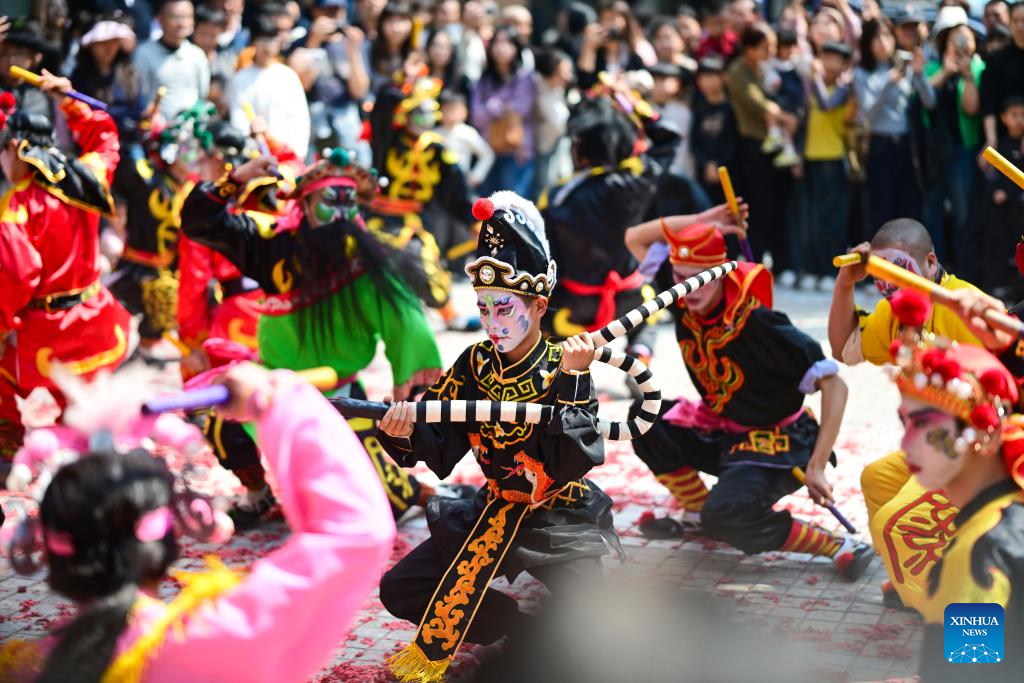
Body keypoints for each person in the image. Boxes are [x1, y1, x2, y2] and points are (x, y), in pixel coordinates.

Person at [0, 362, 396, 682]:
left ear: (49, 548)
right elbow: (357, 535)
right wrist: (275, 402)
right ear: (167, 534)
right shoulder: (210, 642)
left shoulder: (22, 669)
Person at [376, 191, 623, 682]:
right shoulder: (475, 362)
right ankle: (521, 629)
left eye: (504, 308)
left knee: (593, 624)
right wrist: (402, 431)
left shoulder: (565, 365)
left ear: (539, 304)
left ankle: (559, 635)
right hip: (493, 508)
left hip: (556, 514)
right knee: (400, 588)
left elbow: (572, 459)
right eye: (484, 307)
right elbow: (437, 432)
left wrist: (575, 378)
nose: (492, 323)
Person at [180, 148, 442, 527]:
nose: (341, 213)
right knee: (221, 417)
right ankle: (257, 492)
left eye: (349, 202)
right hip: (274, 387)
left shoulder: (364, 257)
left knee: (384, 501)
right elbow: (198, 220)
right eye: (330, 200)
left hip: (339, 391)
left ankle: (410, 491)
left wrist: (409, 379)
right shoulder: (271, 246)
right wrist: (239, 177)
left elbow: (404, 317)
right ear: (304, 204)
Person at [622, 217, 872, 579]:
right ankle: (699, 512)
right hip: (722, 429)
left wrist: (817, 465)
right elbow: (634, 237)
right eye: (679, 277)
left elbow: (836, 386)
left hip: (776, 444)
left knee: (727, 515)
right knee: (643, 418)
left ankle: (836, 545)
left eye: (699, 278)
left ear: (721, 273)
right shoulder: (684, 295)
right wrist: (713, 219)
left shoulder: (759, 323)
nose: (688, 288)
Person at [828, 219, 985, 611]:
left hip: (983, 455)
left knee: (894, 523)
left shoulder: (965, 305)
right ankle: (918, 583)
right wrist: (845, 284)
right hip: (941, 449)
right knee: (877, 480)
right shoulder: (897, 311)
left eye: (898, 271)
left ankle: (960, 620)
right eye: (880, 277)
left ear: (930, 262)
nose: (889, 287)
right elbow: (845, 346)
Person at [885, 298, 1024, 683]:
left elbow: (968, 671)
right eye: (904, 423)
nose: (905, 444)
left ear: (985, 432)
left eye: (923, 424)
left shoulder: (980, 549)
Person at [0, 75, 130, 460]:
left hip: (46, 332)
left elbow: (16, 275)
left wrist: (3, 325)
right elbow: (106, 139)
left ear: (13, 148)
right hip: (93, 317)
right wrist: (69, 102)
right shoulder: (85, 176)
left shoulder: (18, 205)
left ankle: (7, 446)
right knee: (81, 406)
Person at [539, 95, 660, 365]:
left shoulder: (558, 197)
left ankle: (558, 373)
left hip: (575, 308)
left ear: (579, 150)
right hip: (629, 299)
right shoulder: (637, 184)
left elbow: (547, 260)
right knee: (650, 307)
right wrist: (633, 106)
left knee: (541, 318)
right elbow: (667, 141)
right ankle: (641, 357)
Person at [367, 70, 475, 327]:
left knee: (424, 261)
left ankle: (448, 314)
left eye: (428, 114)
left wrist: (475, 221)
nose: (423, 120)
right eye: (418, 113)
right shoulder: (387, 141)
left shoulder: (438, 150)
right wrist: (400, 83)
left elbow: (457, 193)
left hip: (413, 220)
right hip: (376, 216)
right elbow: (382, 109)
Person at [107, 103, 206, 363]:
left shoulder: (192, 189)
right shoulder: (149, 180)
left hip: (172, 271)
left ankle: (148, 351)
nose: (196, 156)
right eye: (189, 148)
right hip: (137, 269)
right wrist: (140, 130)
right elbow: (126, 160)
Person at [729, 23, 798, 277]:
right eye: (765, 46)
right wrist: (785, 117)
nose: (770, 51)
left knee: (778, 204)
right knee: (759, 206)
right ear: (749, 48)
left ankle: (781, 262)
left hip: (774, 144)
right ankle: (755, 261)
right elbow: (756, 101)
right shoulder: (738, 71)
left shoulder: (764, 68)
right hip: (752, 147)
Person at [853, 18, 934, 230]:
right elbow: (868, 115)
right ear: (867, 42)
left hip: (907, 145)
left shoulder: (904, 66)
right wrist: (890, 82)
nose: (882, 42)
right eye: (876, 37)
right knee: (882, 210)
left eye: (887, 36)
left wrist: (918, 73)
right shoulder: (862, 73)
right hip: (880, 145)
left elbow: (930, 101)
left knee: (909, 208)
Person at [921, 6, 985, 271]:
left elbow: (972, 109)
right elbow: (920, 97)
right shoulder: (932, 68)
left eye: (964, 38)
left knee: (963, 213)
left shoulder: (978, 68)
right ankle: (933, 271)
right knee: (932, 213)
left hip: (963, 151)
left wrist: (967, 74)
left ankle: (964, 270)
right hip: (934, 152)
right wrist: (946, 72)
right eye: (952, 38)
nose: (959, 45)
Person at [800, 41, 854, 285]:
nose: (830, 63)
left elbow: (826, 104)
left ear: (844, 64)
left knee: (833, 218)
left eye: (836, 59)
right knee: (813, 218)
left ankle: (830, 271)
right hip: (811, 157)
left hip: (833, 158)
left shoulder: (844, 88)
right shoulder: (814, 86)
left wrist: (814, 78)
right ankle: (813, 269)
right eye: (826, 57)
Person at [287, 0, 370, 155]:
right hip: (313, 119)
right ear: (315, 11)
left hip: (347, 118)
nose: (334, 15)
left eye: (338, 9)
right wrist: (313, 43)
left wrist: (353, 52)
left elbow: (359, 91)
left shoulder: (355, 40)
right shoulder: (301, 42)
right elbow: (302, 86)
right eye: (328, 10)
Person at [226, 15, 310, 160]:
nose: (268, 46)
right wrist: (253, 132)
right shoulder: (240, 79)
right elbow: (238, 119)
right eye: (263, 40)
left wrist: (297, 152)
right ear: (253, 42)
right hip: (253, 157)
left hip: (286, 154)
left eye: (273, 40)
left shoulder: (288, 76)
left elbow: (300, 119)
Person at [471, 26, 536, 199]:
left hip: (517, 152)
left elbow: (522, 108)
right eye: (497, 43)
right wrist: (502, 105)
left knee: (514, 206)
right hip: (487, 152)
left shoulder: (525, 77)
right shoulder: (483, 80)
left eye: (508, 43)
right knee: (486, 206)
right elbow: (476, 117)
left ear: (517, 48)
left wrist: (491, 105)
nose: (502, 48)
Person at [133, 0, 210, 118]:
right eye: (175, 17)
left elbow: (202, 95)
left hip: (191, 124)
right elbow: (141, 97)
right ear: (160, 19)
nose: (181, 23)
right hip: (156, 124)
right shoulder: (144, 54)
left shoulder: (197, 55)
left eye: (186, 17)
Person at [980, 96, 1024, 295]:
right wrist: (995, 191)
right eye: (1014, 115)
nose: (1019, 120)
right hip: (1003, 208)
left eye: (1022, 115)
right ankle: (1001, 285)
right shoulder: (1000, 144)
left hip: (1020, 207)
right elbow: (989, 173)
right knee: (1000, 243)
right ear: (1003, 118)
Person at [69, 18, 144, 131]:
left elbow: (139, 108)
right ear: (91, 46)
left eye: (113, 42)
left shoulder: (130, 73)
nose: (108, 48)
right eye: (102, 43)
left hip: (128, 137)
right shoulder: (79, 77)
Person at [690, 56, 738, 205]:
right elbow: (694, 141)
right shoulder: (698, 107)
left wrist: (719, 165)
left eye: (711, 76)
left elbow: (734, 141)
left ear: (723, 77)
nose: (706, 82)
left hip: (730, 174)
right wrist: (706, 164)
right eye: (702, 77)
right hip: (704, 173)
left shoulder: (731, 108)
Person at [980, 3, 1024, 163]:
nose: (1020, 27)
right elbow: (989, 101)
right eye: (1015, 21)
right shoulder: (996, 58)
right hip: (1002, 140)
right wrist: (991, 140)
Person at [0, 19, 57, 120]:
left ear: (35, 58)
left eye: (19, 53)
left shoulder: (39, 98)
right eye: (5, 53)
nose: (11, 59)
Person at [437, 90, 493, 190]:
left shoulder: (467, 133)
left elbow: (487, 154)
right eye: (447, 110)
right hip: (437, 181)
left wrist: (476, 177)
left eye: (455, 110)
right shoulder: (434, 133)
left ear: (465, 112)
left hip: (460, 182)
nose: (451, 114)